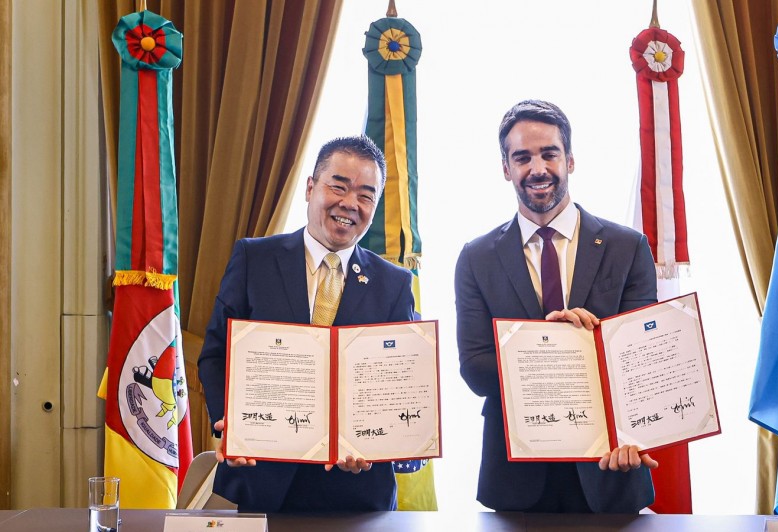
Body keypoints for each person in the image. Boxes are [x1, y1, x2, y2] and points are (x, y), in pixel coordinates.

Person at [455, 100, 660, 513]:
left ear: (569, 159)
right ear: (505, 168)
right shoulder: (476, 257)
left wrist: (593, 338)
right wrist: (553, 348)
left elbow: (645, 361)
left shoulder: (627, 247)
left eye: (549, 153)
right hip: (514, 478)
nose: (538, 168)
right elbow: (475, 368)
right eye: (522, 157)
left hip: (611, 467)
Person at [198, 135, 415, 512]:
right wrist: (228, 423)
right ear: (310, 187)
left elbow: (397, 382)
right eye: (339, 186)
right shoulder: (254, 258)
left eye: (366, 195)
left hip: (355, 493)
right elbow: (215, 355)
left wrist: (378, 444)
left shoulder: (394, 283)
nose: (350, 204)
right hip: (257, 479)